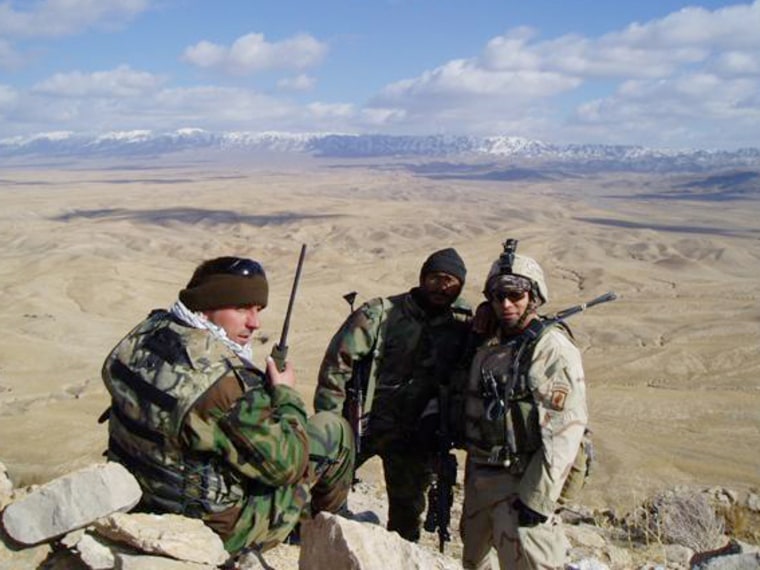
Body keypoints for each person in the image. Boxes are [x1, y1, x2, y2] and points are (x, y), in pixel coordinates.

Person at [100, 256, 354, 555]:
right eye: (241, 308)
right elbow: (290, 466)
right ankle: (322, 534)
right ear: (206, 306)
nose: (255, 322)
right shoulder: (226, 384)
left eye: (258, 310)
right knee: (333, 430)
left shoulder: (146, 334)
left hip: (143, 498)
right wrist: (285, 395)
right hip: (215, 527)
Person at [314, 247, 472, 542]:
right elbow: (337, 367)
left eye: (451, 281)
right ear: (423, 278)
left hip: (415, 437)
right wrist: (330, 426)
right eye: (436, 278)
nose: (442, 287)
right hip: (363, 425)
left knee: (407, 515)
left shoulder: (463, 324)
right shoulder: (381, 314)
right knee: (324, 489)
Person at [458, 241, 588, 569]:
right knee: (475, 562)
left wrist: (538, 497)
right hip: (481, 477)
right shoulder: (489, 342)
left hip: (522, 480)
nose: (506, 304)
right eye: (498, 296)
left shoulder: (550, 349)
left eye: (515, 296)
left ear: (533, 297)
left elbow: (566, 430)